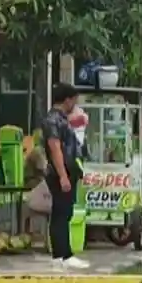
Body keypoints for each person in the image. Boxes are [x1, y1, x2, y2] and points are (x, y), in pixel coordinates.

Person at [41, 83, 89, 269]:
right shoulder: (52, 120)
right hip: (60, 173)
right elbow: (55, 148)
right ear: (67, 99)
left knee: (65, 213)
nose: (75, 104)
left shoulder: (63, 118)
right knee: (61, 213)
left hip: (69, 171)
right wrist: (62, 175)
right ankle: (61, 256)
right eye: (74, 100)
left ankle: (64, 254)